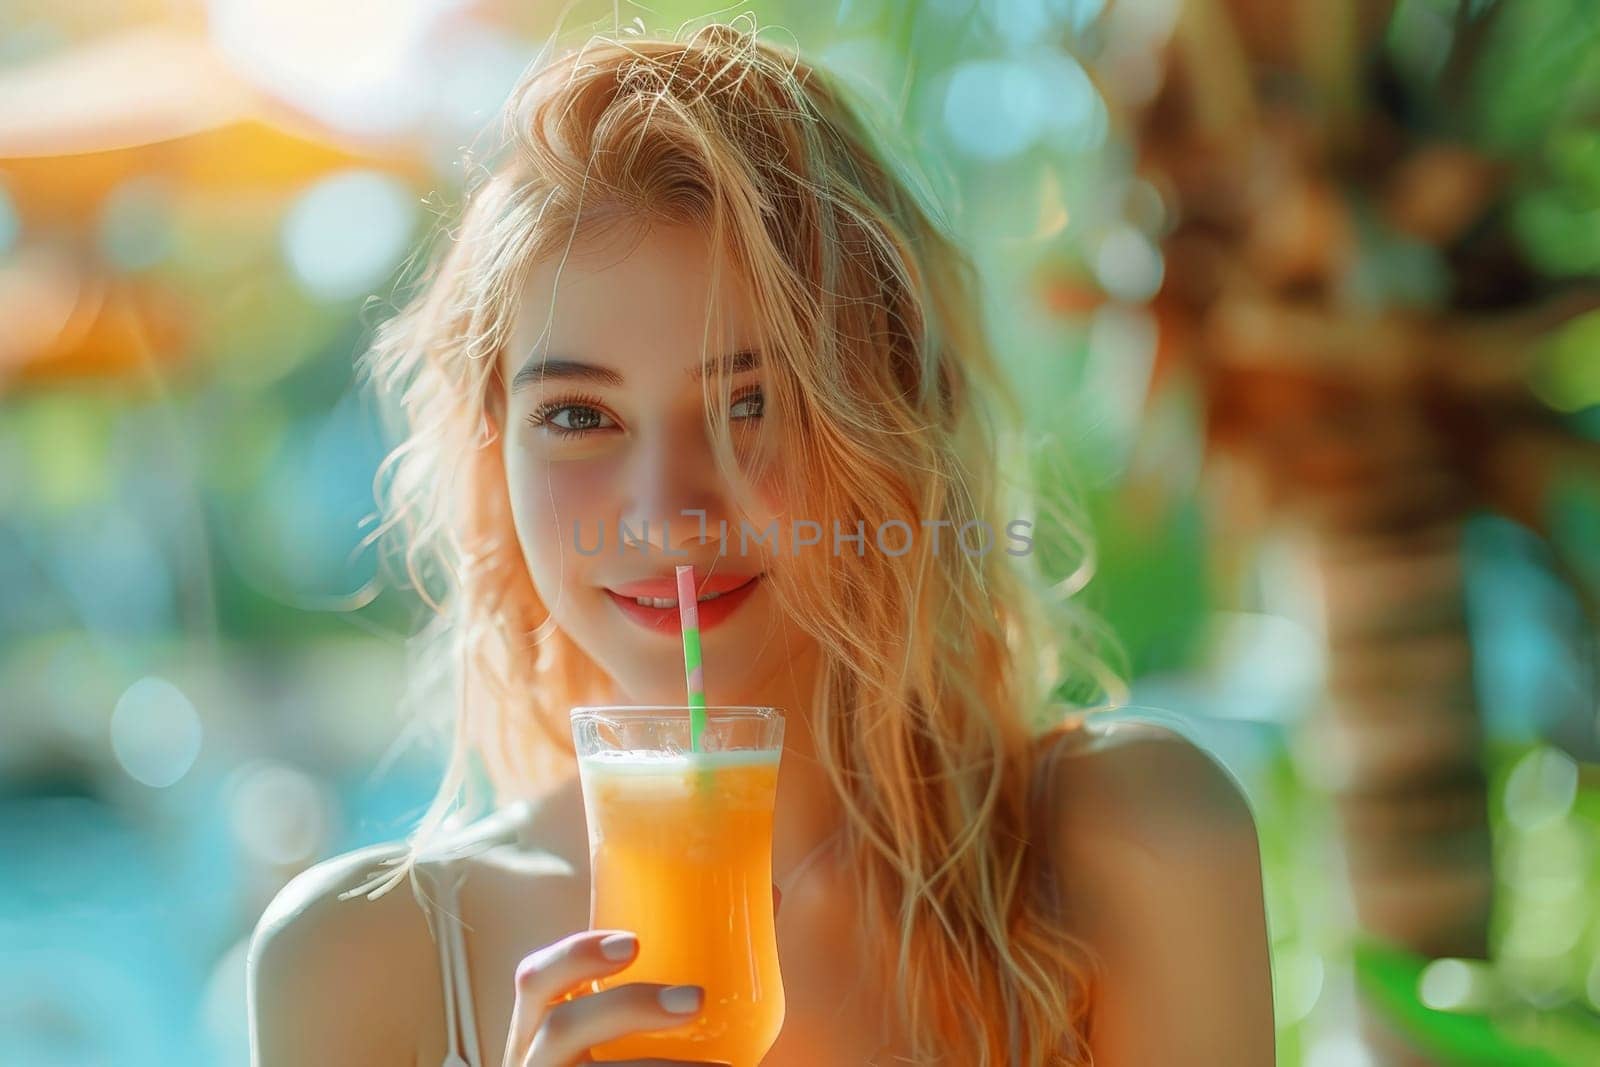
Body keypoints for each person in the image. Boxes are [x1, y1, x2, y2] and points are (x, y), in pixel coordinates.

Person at [247, 19, 1274, 1067]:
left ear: (895, 418)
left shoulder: (1136, 847)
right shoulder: (362, 958)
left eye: (753, 401)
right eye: (576, 415)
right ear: (491, 447)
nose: (667, 514)